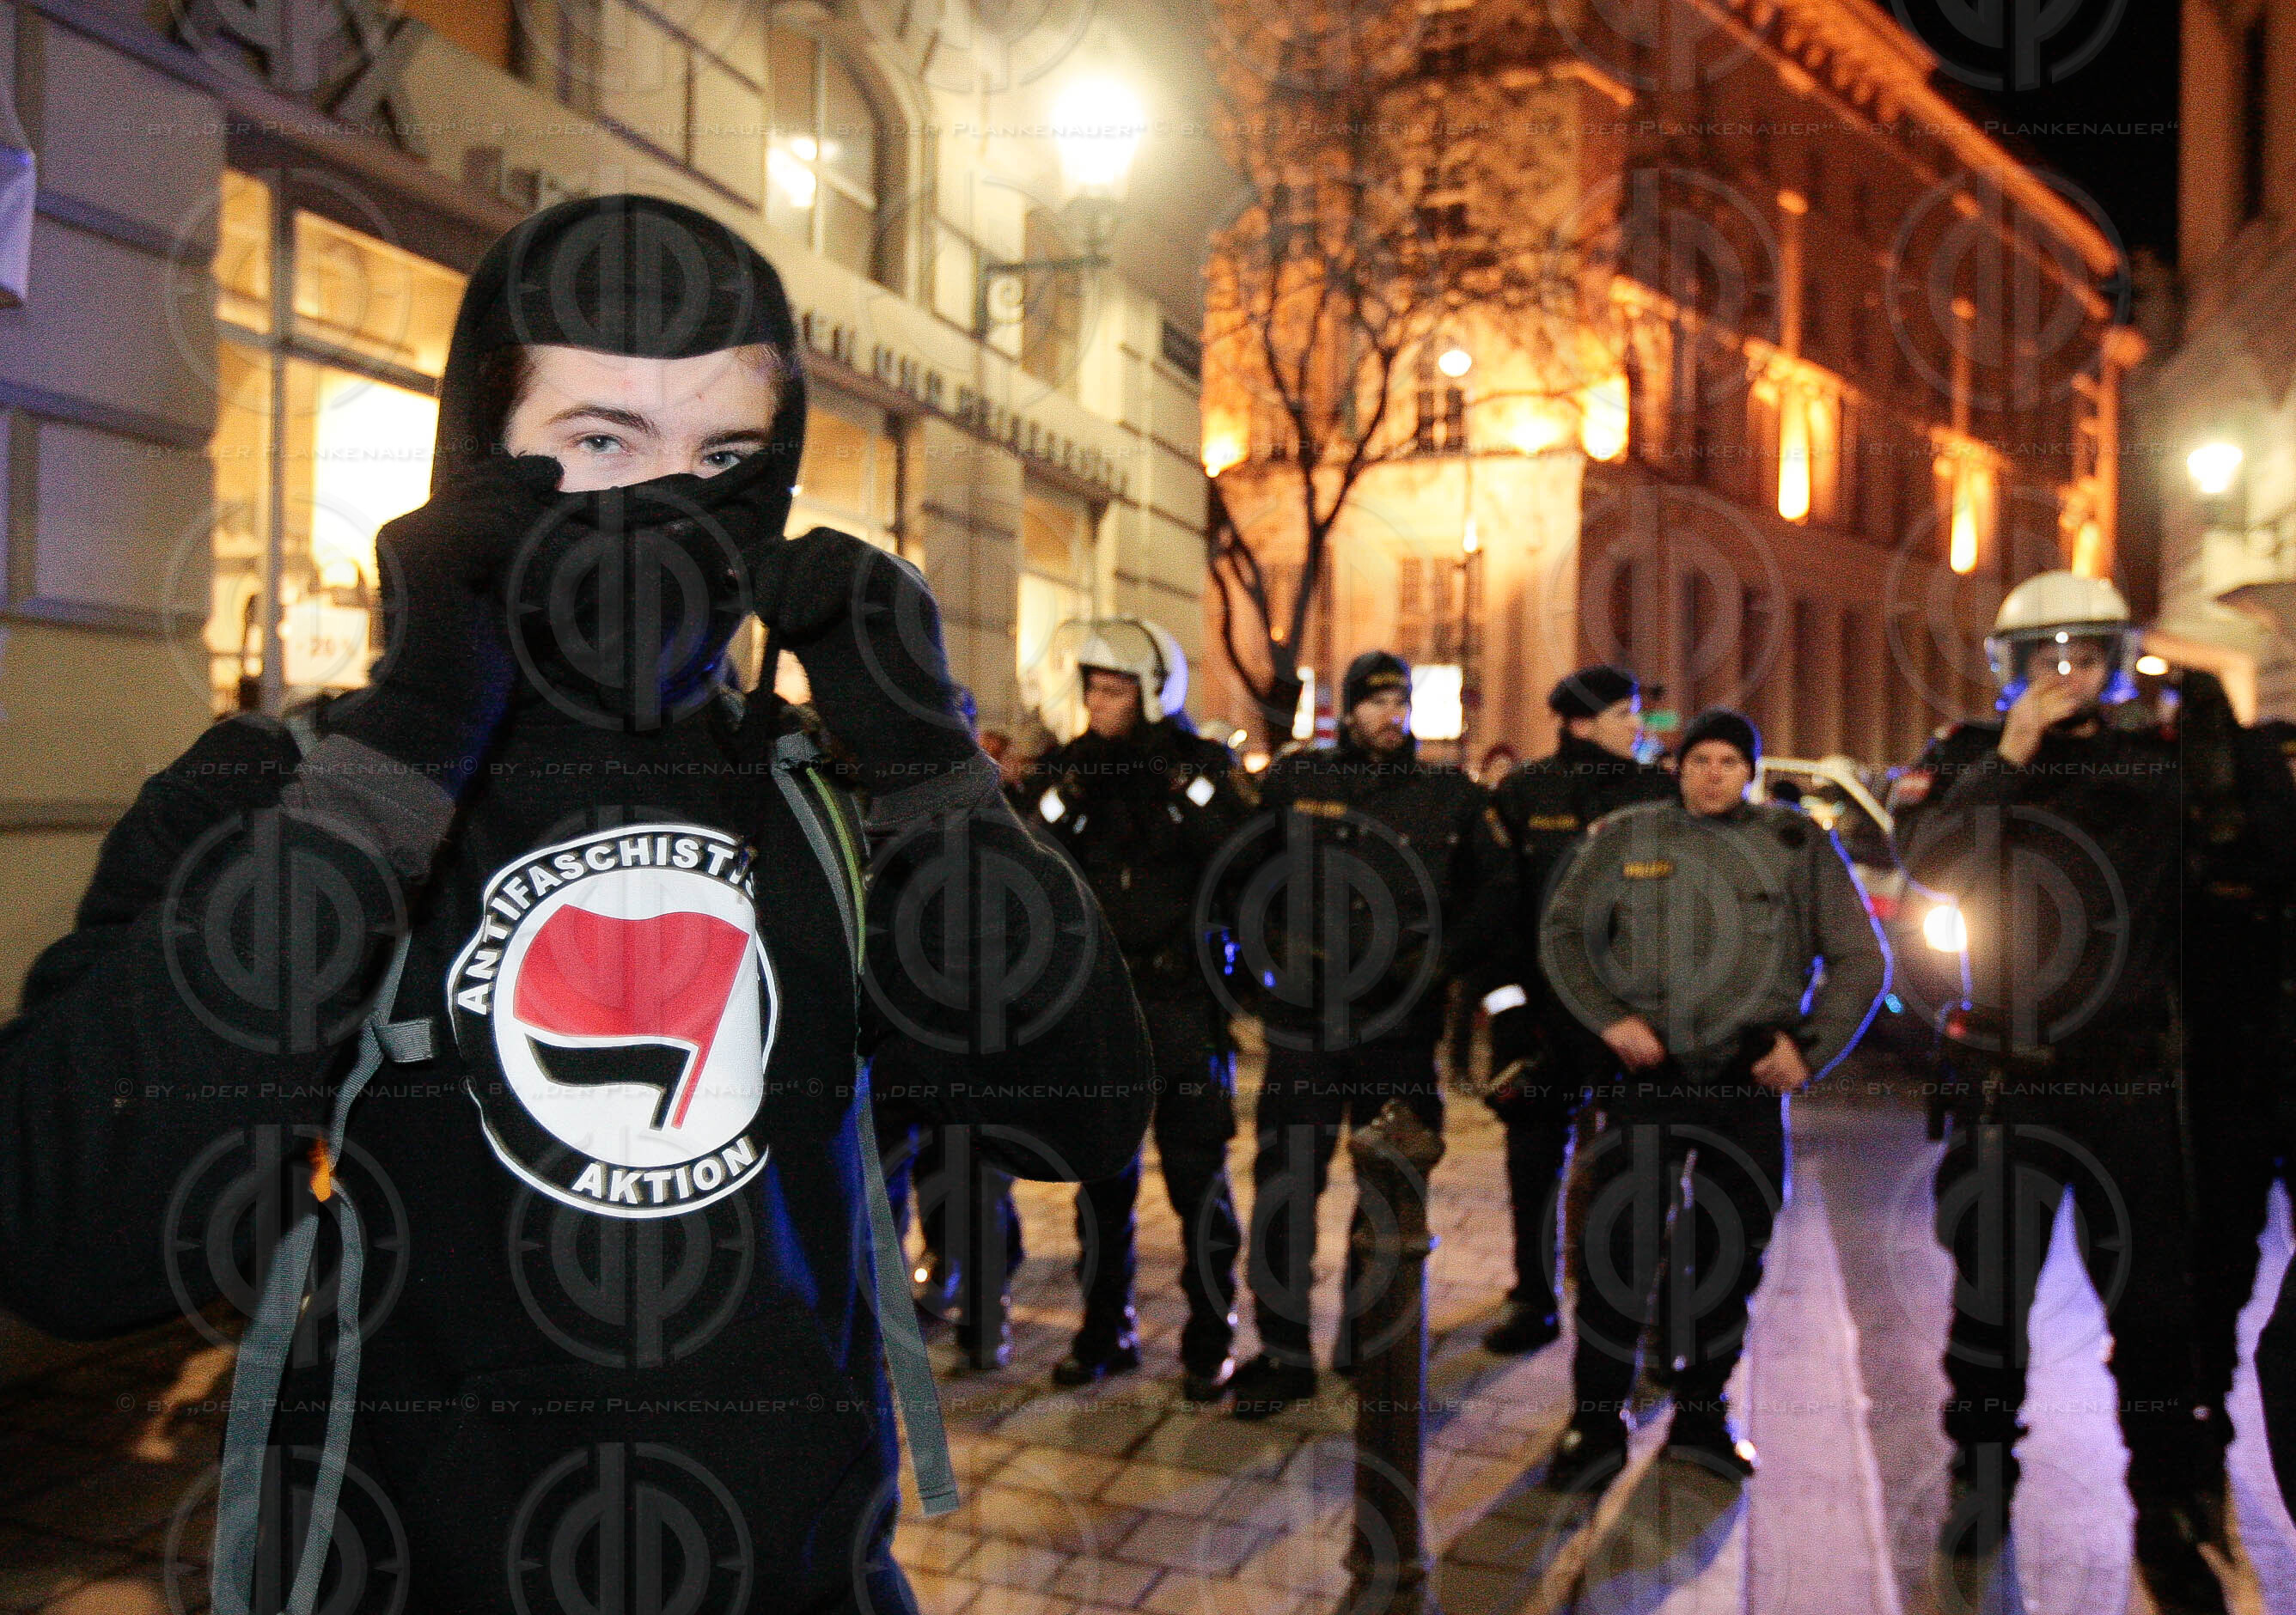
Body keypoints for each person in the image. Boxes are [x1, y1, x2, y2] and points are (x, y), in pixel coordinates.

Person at [0, 195, 1152, 1614]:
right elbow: (70, 1235)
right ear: (479, 458)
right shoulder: (288, 787)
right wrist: (411, 732)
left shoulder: (825, 799)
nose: (671, 503)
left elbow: (1072, 1119)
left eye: (724, 456)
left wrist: (927, 761)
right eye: (602, 441)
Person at [1893, 571, 2261, 1614]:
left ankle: (2162, 1509)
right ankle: (1978, 1484)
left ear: (2112, 662)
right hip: (2008, 1082)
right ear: (2009, 668)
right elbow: (1930, 862)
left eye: (2084, 655)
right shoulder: (1972, 756)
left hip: (2128, 1083)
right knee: (1987, 1308)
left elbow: (2248, 852)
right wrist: (2008, 757)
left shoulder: (2152, 763)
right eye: (2044, 657)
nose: (2065, 674)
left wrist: (2228, 719)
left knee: (2152, 1315)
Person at [1539, 708, 1886, 1489]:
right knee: (1617, 1252)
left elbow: (1861, 960)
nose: (1713, 775)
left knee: (1727, 1257)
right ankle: (1595, 1422)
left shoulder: (1795, 846)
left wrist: (1808, 1052)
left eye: (1730, 761)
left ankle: (1701, 1416)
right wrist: (1609, 1019)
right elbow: (1565, 936)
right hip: (1650, 1084)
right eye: (1700, 760)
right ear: (1679, 767)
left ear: (1750, 772)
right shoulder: (1628, 839)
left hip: (1744, 1087)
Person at [1223, 649, 1513, 1417]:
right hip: (1307, 1025)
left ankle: (1370, 1341)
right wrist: (1264, 967)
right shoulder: (1298, 782)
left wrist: (1441, 963)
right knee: (1286, 1188)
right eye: (1377, 702)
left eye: (1401, 702)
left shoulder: (1448, 796)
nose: (1393, 715)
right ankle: (1283, 1352)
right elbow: (1242, 877)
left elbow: (1497, 892)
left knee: (1390, 1189)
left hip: (1398, 1028)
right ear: (1348, 709)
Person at [1026, 619, 1250, 1399]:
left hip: (1182, 1003)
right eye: (1092, 687)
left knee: (1197, 1179)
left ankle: (1210, 1336)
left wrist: (1179, 790)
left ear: (1154, 693)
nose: (1098, 701)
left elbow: (1242, 853)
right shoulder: (1071, 768)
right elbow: (1033, 853)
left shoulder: (1199, 767)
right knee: (1101, 1180)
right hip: (1102, 1006)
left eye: (1115, 689)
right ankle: (1104, 1329)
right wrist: (1067, 795)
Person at [1476, 664, 1673, 1356]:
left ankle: (1636, 1304)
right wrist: (1508, 1017)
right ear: (1582, 723)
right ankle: (1533, 1297)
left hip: (1637, 1020)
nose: (1638, 725)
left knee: (1640, 1169)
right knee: (1532, 1163)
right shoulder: (1525, 793)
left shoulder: (1658, 795)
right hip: (1546, 1018)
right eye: (1624, 714)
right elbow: (1496, 916)